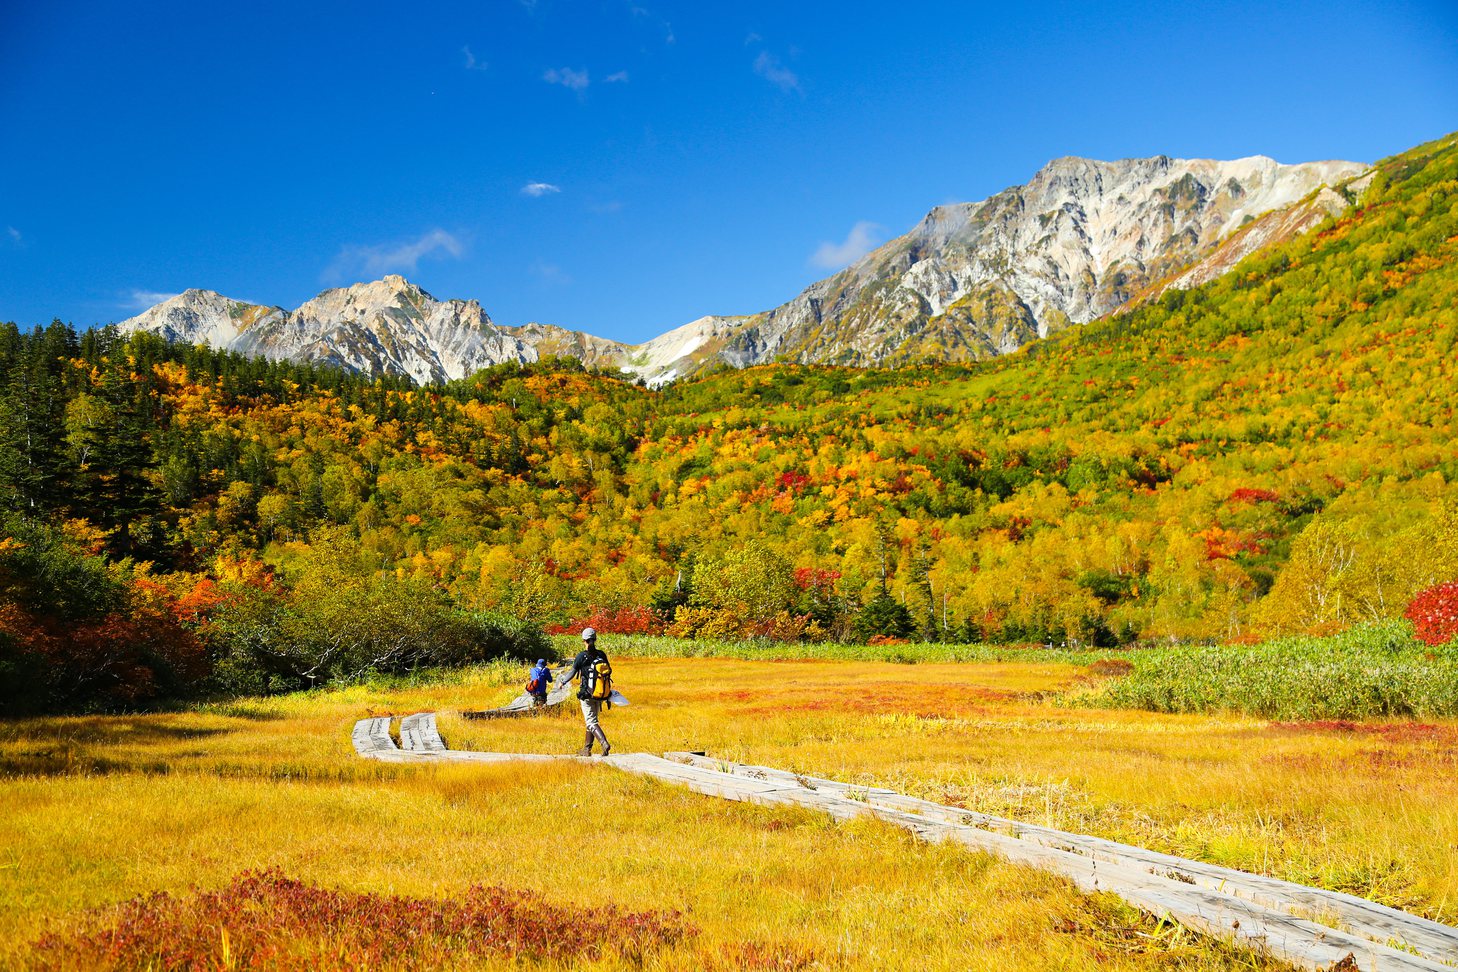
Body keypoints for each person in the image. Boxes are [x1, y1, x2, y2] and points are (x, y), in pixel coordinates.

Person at [556, 627, 612, 757]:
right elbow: (609, 670)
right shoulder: (601, 654)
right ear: (595, 639)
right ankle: (586, 750)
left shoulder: (582, 656)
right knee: (592, 720)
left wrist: (562, 682)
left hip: (586, 694)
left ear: (584, 640)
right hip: (599, 693)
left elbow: (572, 672)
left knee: (591, 721)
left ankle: (604, 743)